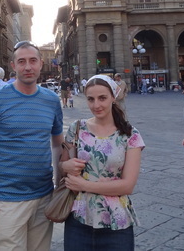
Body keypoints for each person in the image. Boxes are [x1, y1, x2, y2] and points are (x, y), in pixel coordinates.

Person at [0, 40, 64, 251]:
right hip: (7, 201)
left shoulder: (52, 100)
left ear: (41, 64)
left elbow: (58, 146)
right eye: (22, 62)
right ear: (13, 66)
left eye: (33, 61)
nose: (28, 67)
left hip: (44, 198)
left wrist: (58, 188)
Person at [60, 75, 144, 250]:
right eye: (91, 99)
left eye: (102, 98)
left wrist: (84, 185)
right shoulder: (77, 128)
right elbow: (63, 167)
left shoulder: (130, 135)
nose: (96, 105)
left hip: (116, 222)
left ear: (113, 97)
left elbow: (127, 186)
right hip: (78, 218)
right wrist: (64, 166)